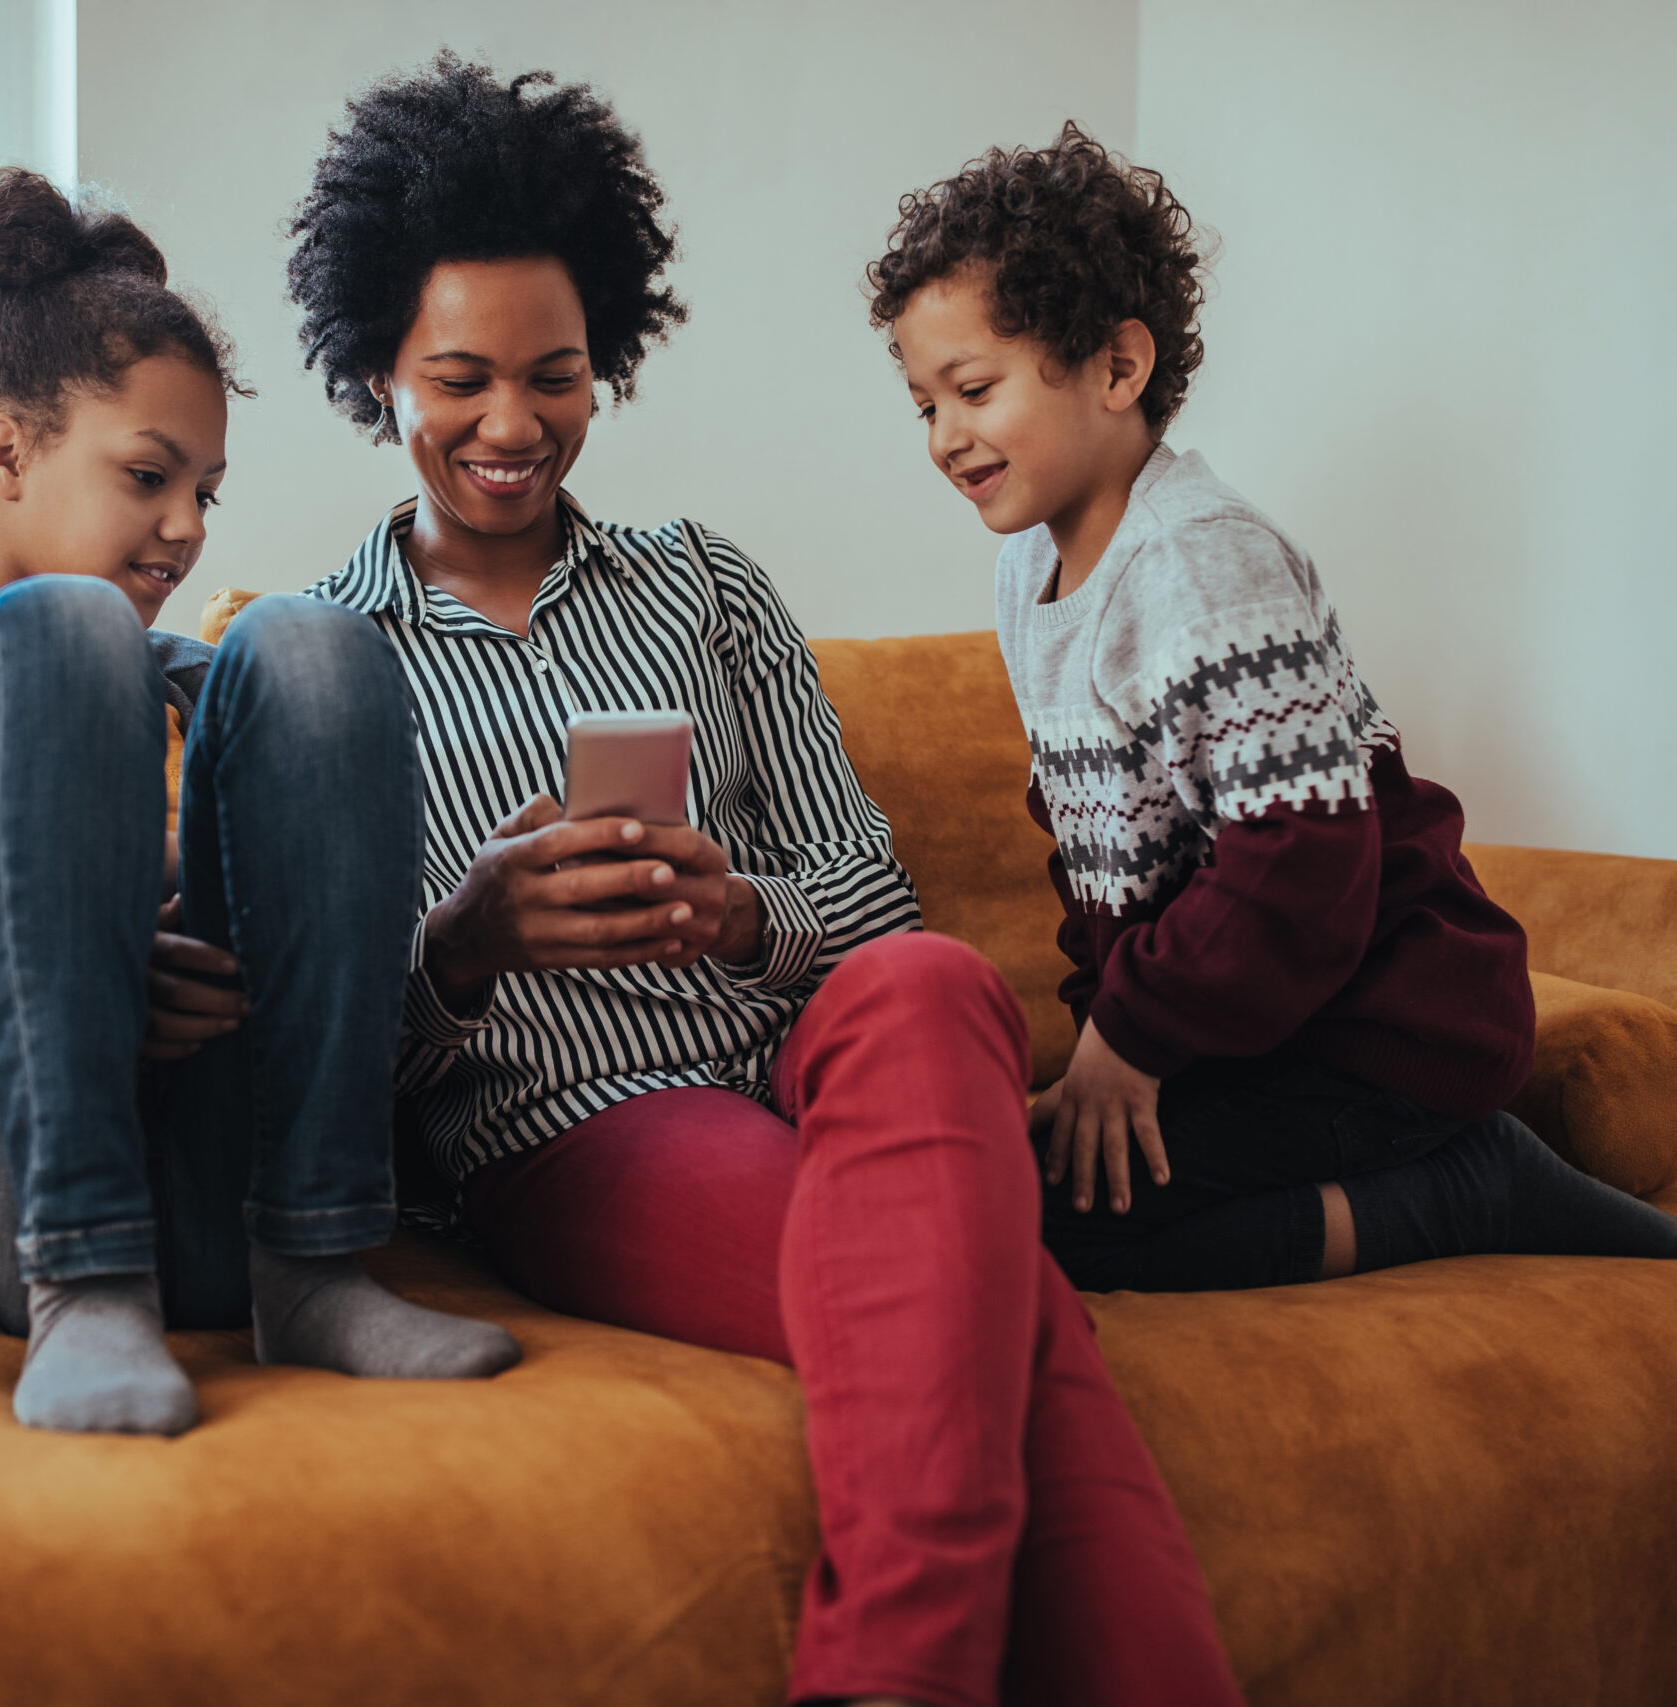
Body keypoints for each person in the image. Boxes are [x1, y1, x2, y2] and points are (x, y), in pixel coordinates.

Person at [287, 57, 1244, 1707]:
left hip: (811, 1058)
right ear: (375, 365)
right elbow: (312, 1077)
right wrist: (465, 941)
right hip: (570, 1123)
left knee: (940, 983)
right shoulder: (314, 663)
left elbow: (873, 905)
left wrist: (744, 911)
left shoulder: (706, 586)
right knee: (993, 1302)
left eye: (557, 374)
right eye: (459, 377)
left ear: (611, 368)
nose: (511, 424)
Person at [0, 167, 517, 1439]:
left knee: (316, 642)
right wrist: (72, 962)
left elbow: (318, 1010)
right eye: (148, 475)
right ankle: (83, 1281)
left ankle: (315, 1268)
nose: (187, 528)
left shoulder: (208, 688)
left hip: (217, 1198)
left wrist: (451, 944)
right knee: (60, 631)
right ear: (5, 451)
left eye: (208, 491)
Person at [871, 123, 1677, 1293]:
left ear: (1119, 368)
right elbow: (1101, 862)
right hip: (1248, 1041)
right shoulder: (1029, 573)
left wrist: (1132, 1042)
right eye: (922, 404)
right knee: (990, 1193)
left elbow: (1302, 868)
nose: (944, 436)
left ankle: (1467, 1183)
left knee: (1050, 1232)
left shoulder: (1198, 560)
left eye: (972, 389)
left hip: (1382, 1038)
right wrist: (1103, 1058)